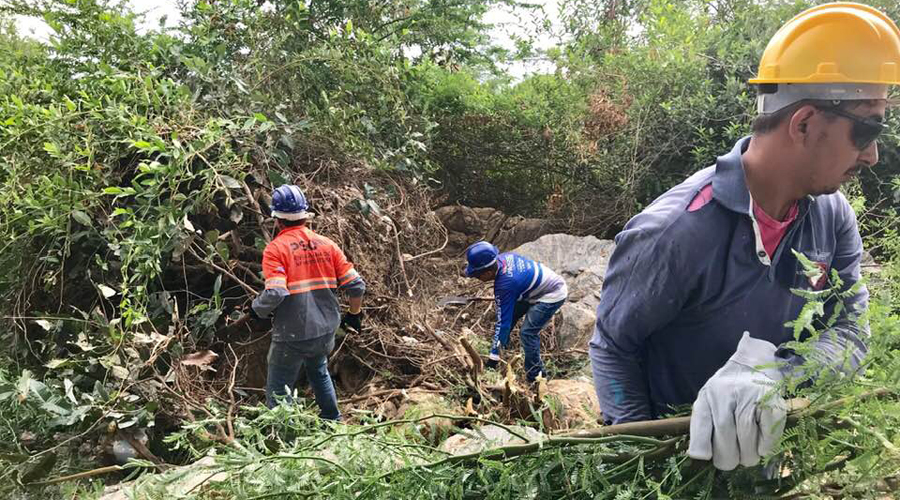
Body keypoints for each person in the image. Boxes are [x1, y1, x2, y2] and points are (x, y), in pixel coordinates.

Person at [589, 2, 900, 471]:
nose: (873, 154)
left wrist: (776, 376)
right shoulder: (675, 233)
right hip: (677, 462)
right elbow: (613, 346)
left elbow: (852, 328)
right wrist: (641, 461)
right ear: (805, 124)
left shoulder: (832, 217)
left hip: (765, 454)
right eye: (867, 129)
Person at [251, 184, 366, 420]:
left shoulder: (276, 249)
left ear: (277, 220)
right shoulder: (327, 245)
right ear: (305, 216)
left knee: (279, 389)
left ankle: (287, 441)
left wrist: (255, 310)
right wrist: (354, 314)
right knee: (319, 372)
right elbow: (357, 285)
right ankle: (334, 424)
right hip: (325, 330)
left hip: (293, 334)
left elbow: (276, 293)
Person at [464, 241, 568, 382]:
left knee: (527, 333)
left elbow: (503, 323)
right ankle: (500, 350)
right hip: (530, 290)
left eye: (477, 275)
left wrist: (491, 363)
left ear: (488, 272)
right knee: (509, 317)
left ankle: (536, 377)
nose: (476, 278)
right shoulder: (503, 258)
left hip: (551, 294)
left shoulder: (505, 286)